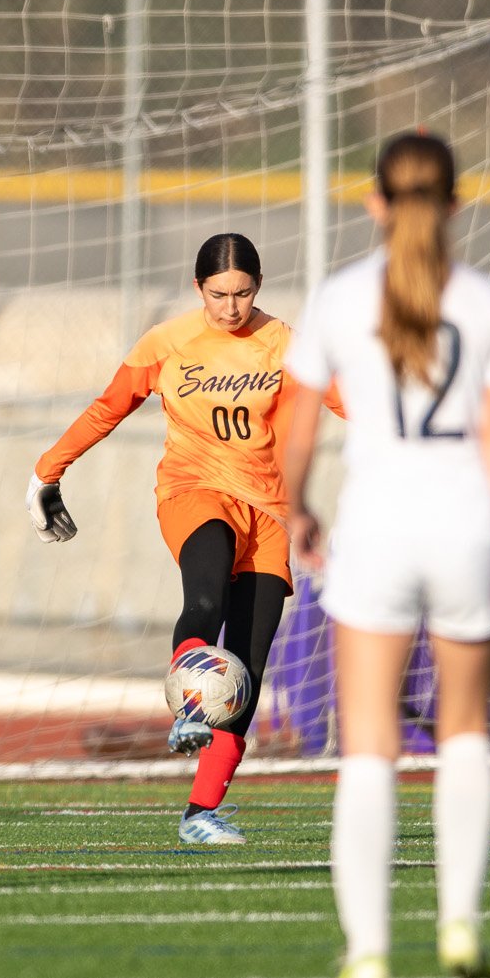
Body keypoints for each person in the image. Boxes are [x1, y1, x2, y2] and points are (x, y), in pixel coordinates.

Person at [279, 132, 490, 978]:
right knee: (465, 732)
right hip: (467, 527)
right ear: (457, 203)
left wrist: (296, 508)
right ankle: (459, 921)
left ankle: (369, 953)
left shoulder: (339, 297)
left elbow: (300, 432)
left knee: (368, 744)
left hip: (377, 530)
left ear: (375, 203)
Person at [30, 234, 338, 845]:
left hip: (268, 513)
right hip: (192, 491)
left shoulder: (287, 346)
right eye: (218, 294)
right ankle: (190, 704)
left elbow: (354, 404)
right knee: (205, 598)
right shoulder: (166, 343)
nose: (230, 307)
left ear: (259, 286)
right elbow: (107, 408)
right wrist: (46, 472)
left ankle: (201, 814)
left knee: (248, 668)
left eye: (242, 293)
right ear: (198, 288)